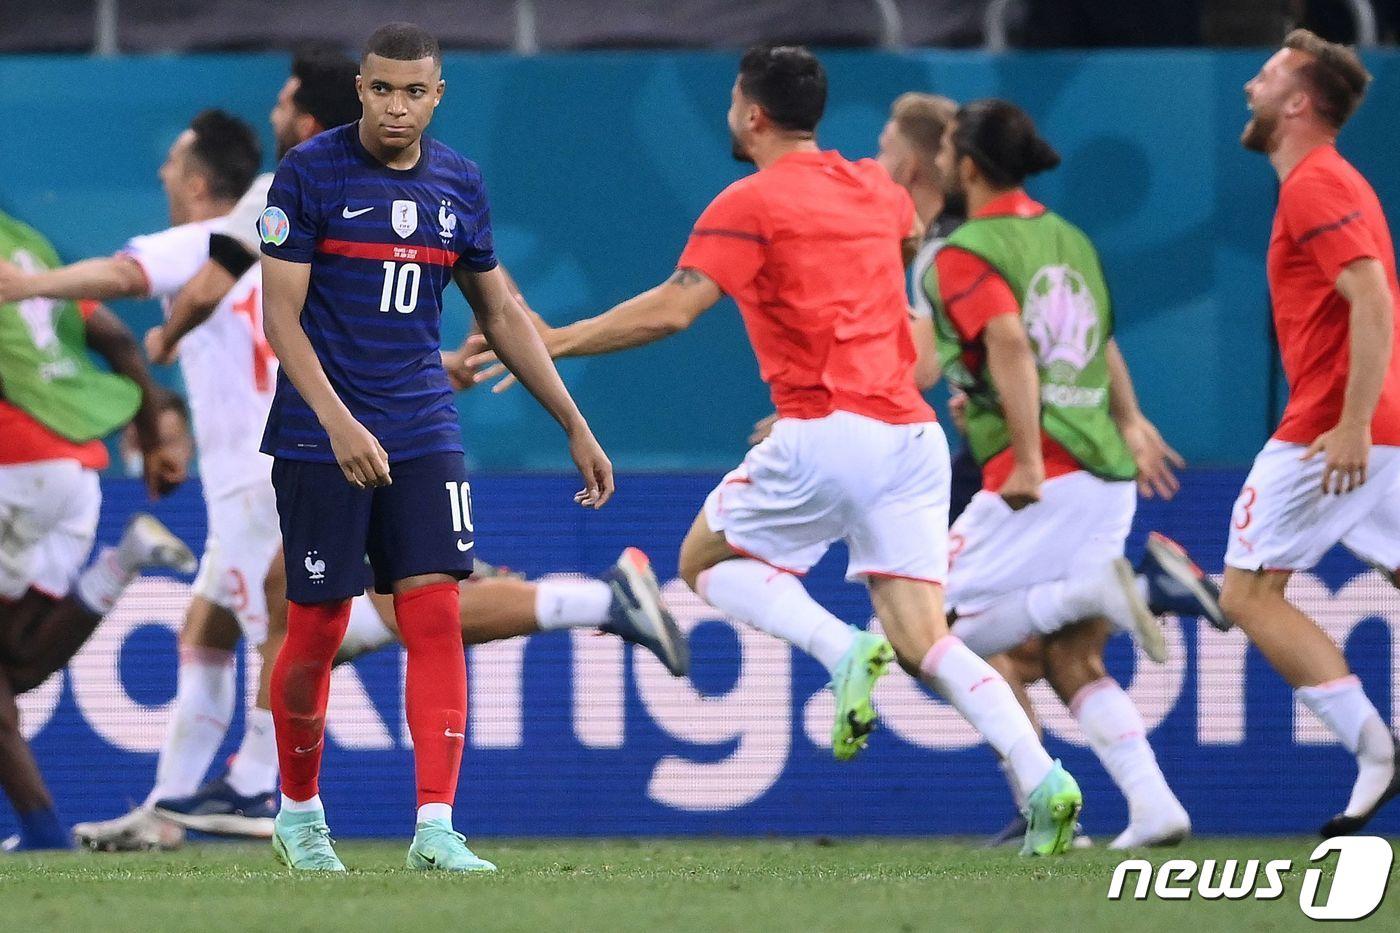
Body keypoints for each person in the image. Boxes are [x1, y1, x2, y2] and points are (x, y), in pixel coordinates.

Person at [475, 45, 1086, 857]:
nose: (730, 112)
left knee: (701, 560)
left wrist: (556, 340)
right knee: (927, 639)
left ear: (752, 114)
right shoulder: (879, 189)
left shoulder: (750, 201)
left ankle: (841, 647)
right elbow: (902, 273)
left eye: (733, 99)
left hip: (827, 427)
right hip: (911, 436)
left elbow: (673, 311)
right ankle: (1043, 776)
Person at [257, 22, 613, 872]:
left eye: (414, 92)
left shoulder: (460, 182)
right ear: (361, 90)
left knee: (437, 613)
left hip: (421, 427)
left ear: (438, 96)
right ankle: (299, 814)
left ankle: (435, 828)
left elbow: (499, 314)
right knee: (317, 628)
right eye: (382, 89)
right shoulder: (308, 174)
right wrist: (340, 421)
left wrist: (572, 419)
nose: (396, 106)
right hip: (321, 433)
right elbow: (281, 317)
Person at [917, 99, 1233, 849]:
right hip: (1103, 471)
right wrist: (1129, 418)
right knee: (1068, 652)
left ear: (966, 165)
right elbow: (1098, 342)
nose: (936, 166)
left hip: (1042, 474)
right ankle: (1154, 805)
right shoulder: (1068, 238)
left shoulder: (968, 249)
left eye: (945, 155)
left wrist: (1023, 454)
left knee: (917, 629)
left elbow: (1009, 343)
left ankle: (1113, 594)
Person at [0, 108, 283, 851]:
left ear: (194, 179)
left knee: (329, 630)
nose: (160, 174)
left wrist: (28, 286)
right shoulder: (287, 242)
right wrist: (155, 417)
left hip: (251, 478)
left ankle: (257, 787)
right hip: (243, 470)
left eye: (170, 164)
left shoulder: (199, 243)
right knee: (206, 632)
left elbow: (122, 280)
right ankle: (169, 807)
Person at [1224, 29, 1400, 836]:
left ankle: (1374, 749)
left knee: (1249, 594)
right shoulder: (1335, 180)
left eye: (1264, 78)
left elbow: (1372, 297)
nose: (1249, 89)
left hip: (1331, 431)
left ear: (1298, 103)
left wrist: (1351, 424)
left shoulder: (1315, 185)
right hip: (1377, 424)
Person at [0, 208, 195, 851]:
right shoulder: (27, 242)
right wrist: (146, 422)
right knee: (16, 668)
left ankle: (44, 836)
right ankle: (124, 562)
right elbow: (112, 335)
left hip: (12, 465)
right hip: (73, 475)